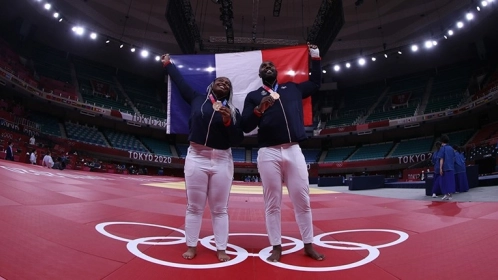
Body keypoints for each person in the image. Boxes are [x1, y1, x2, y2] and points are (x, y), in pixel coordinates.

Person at [240, 43, 324, 262]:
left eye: (271, 65)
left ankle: (308, 244)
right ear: (260, 74)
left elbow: (315, 83)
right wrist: (259, 110)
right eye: (264, 66)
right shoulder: (253, 96)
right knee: (272, 202)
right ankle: (276, 246)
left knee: (302, 199)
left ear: (276, 72)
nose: (267, 67)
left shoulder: (292, 89)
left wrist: (315, 57)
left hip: (294, 149)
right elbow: (245, 126)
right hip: (268, 152)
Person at [161, 53, 244, 262]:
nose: (223, 83)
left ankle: (221, 249)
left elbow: (237, 139)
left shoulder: (233, 111)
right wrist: (168, 64)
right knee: (194, 206)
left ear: (230, 90)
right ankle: (191, 246)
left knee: (219, 208)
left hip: (222, 159)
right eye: (220, 81)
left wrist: (227, 121)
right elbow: (180, 83)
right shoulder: (197, 98)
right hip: (197, 156)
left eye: (227, 83)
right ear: (212, 85)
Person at [439, 135, 456, 200]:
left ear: (442, 141)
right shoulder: (451, 148)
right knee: (450, 181)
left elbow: (441, 159)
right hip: (451, 167)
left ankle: (446, 194)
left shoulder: (442, 148)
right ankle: (450, 195)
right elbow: (454, 158)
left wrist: (440, 168)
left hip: (445, 167)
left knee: (444, 182)